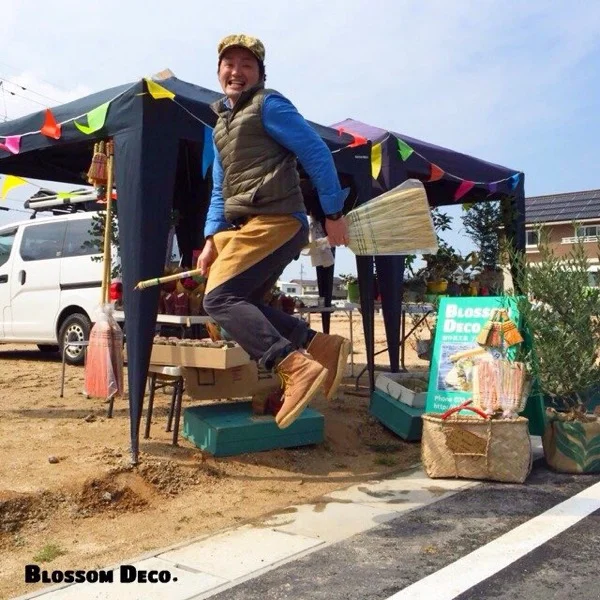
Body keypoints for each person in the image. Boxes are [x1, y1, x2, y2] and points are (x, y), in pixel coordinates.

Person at [198, 33, 352, 429]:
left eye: (247, 65)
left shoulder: (269, 105)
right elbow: (219, 189)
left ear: (260, 74)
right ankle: (320, 345)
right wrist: (211, 239)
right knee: (243, 302)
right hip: (253, 223)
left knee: (218, 299)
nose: (237, 72)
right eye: (229, 64)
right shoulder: (220, 126)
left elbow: (315, 152)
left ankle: (293, 366)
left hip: (277, 217)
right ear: (219, 72)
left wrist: (333, 212)